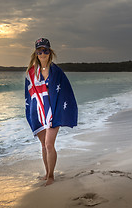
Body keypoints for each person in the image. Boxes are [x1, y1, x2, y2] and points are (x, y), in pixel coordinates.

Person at [25, 38, 78, 186]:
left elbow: (66, 92)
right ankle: (46, 172)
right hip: (39, 113)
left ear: (50, 52)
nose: (42, 54)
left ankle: (51, 176)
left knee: (49, 144)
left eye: (45, 51)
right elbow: (29, 95)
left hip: (54, 112)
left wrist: (62, 110)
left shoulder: (56, 72)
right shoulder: (31, 73)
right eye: (39, 51)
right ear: (36, 53)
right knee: (43, 145)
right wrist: (31, 113)